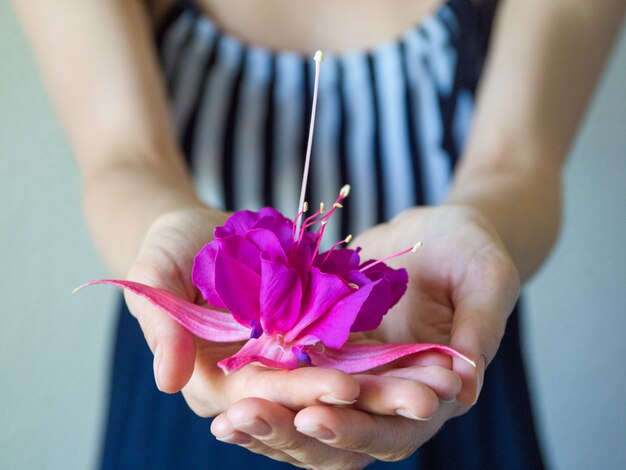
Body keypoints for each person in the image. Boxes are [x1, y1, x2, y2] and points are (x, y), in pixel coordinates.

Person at [11, 0, 625, 468]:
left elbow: (518, 166)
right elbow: (125, 159)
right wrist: (165, 239)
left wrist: (481, 230)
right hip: (199, 363)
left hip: (442, 350)